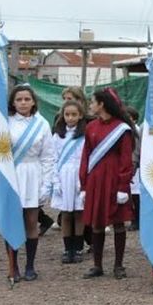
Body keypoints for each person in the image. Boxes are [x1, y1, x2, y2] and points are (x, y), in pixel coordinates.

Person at [79, 88, 136, 279]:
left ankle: (118, 265)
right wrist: (83, 184)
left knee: (118, 222)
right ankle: (97, 265)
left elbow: (126, 158)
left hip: (114, 179)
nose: (90, 105)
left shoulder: (122, 129)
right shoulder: (91, 127)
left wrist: (123, 186)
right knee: (96, 223)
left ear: (102, 104)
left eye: (93, 101)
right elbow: (86, 156)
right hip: (95, 179)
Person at [1, 84, 55, 281]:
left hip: (33, 174)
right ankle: (13, 266)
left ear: (33, 102)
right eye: (19, 99)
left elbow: (48, 156)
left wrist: (46, 184)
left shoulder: (42, 124)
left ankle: (30, 266)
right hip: (12, 173)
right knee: (12, 222)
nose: (23, 103)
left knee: (31, 221)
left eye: (27, 99)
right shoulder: (5, 122)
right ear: (13, 103)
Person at [50, 99, 88, 264]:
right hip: (63, 176)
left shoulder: (85, 135)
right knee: (65, 213)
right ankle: (67, 248)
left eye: (74, 114)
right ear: (62, 116)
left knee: (79, 212)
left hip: (79, 175)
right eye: (67, 114)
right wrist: (55, 181)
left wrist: (84, 180)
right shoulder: (58, 136)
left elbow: (87, 158)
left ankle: (78, 247)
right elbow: (53, 159)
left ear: (80, 116)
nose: (70, 118)